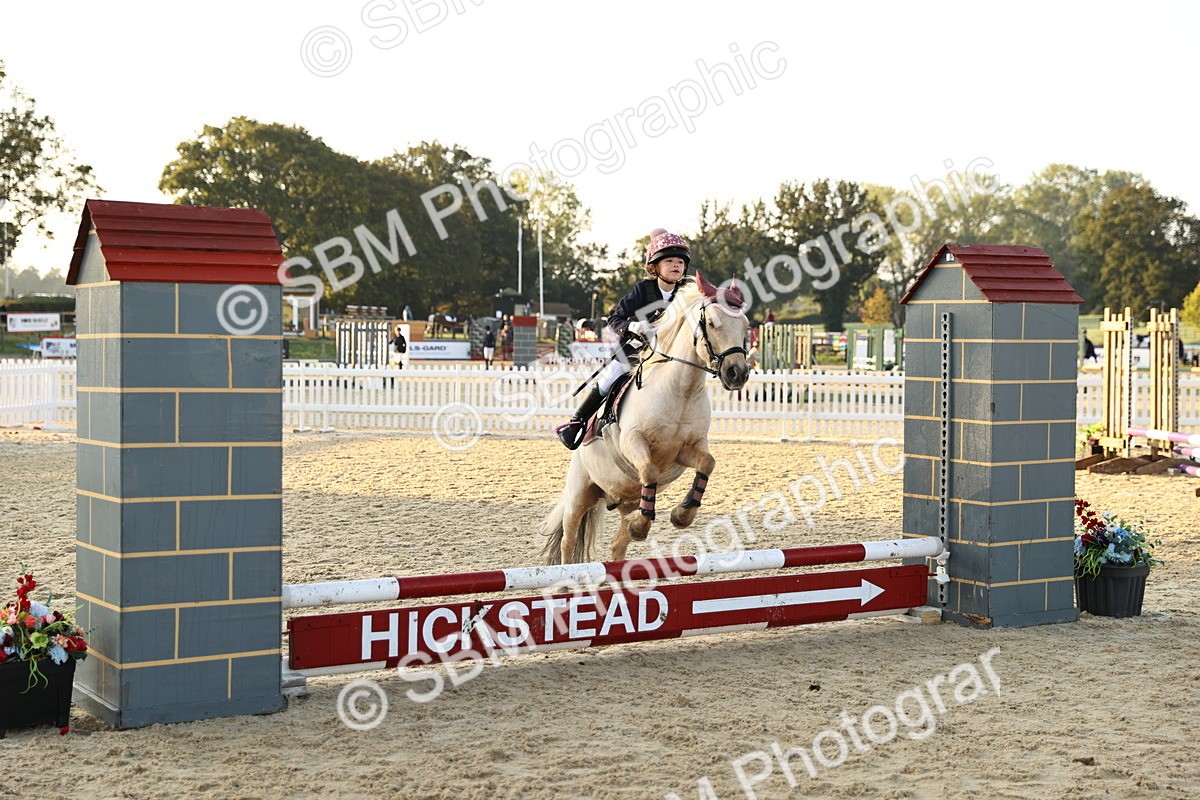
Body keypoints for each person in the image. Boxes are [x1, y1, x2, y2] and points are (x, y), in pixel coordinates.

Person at [555, 228, 691, 450]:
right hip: (634, 350)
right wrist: (632, 326)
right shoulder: (642, 290)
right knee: (609, 378)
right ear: (654, 266)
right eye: (669, 261)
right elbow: (615, 318)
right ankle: (576, 423)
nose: (676, 265)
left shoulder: (686, 292)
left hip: (668, 354)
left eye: (680, 261)